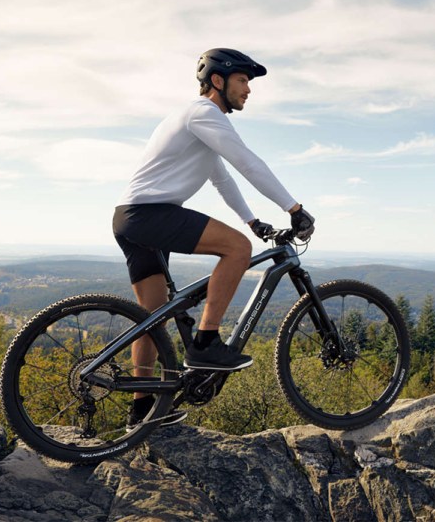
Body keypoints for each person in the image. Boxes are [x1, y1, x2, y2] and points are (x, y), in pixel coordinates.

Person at [112, 48, 315, 428]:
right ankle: (207, 344)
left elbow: (222, 178)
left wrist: (252, 220)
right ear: (217, 81)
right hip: (151, 214)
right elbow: (248, 162)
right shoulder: (204, 113)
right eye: (243, 81)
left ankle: (142, 411)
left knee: (152, 320)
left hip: (130, 218)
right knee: (237, 249)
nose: (249, 90)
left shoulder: (196, 122)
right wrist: (293, 208)